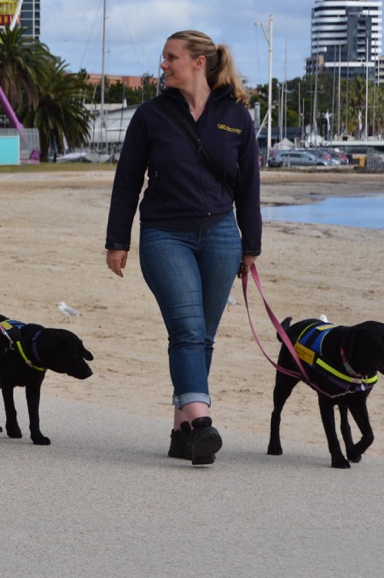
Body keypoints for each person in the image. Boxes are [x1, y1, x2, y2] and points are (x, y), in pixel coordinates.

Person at [104, 30, 262, 466]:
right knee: (188, 331)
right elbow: (127, 181)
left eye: (171, 58)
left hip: (222, 236)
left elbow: (249, 187)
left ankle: (182, 433)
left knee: (202, 339)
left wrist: (252, 247)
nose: (163, 65)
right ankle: (202, 421)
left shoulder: (236, 115)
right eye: (163, 58)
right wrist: (117, 241)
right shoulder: (150, 116)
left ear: (198, 62)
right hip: (164, 235)